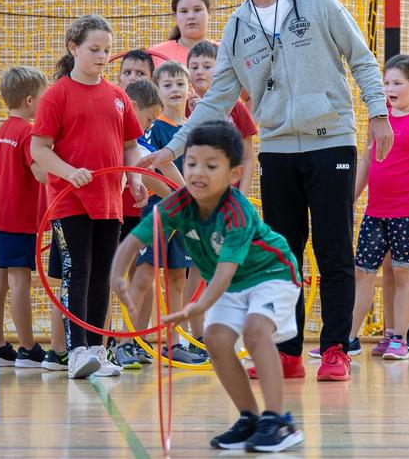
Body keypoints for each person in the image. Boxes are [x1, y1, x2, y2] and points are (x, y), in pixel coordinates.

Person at [140, 0, 393, 382]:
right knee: (282, 255)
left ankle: (336, 349)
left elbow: (360, 56)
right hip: (277, 150)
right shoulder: (237, 27)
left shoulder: (315, 0)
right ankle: (287, 352)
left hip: (330, 141)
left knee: (334, 249)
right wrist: (173, 146)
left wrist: (378, 112)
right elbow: (215, 102)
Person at [112, 121, 305, 452]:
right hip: (231, 282)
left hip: (272, 274)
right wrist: (117, 275)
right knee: (216, 341)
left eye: (211, 166)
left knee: (257, 331)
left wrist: (197, 307)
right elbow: (134, 240)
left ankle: (279, 421)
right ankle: (250, 418)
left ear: (233, 174)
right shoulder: (178, 204)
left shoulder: (236, 210)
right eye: (191, 163)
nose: (198, 172)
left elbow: (225, 273)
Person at [30, 14, 149, 379]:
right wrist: (69, 172)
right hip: (69, 200)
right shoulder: (56, 95)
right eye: (94, 49)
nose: (101, 56)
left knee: (103, 274)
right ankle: (76, 350)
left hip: (109, 201)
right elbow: (39, 148)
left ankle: (98, 349)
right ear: (74, 48)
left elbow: (131, 146)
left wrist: (134, 180)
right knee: (77, 271)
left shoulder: (117, 98)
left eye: (106, 50)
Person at [348, 54, 409, 360]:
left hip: (408, 215)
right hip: (375, 213)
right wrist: (350, 199)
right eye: (386, 83)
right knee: (362, 273)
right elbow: (365, 161)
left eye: (397, 83)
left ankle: (399, 337)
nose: (390, 88)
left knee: (403, 273)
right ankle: (347, 338)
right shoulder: (379, 120)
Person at [127, 61, 207, 364]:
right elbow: (161, 166)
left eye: (180, 83)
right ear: (156, 92)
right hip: (158, 212)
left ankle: (174, 342)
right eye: (167, 84)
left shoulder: (192, 129)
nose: (175, 89)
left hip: (185, 213)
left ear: (189, 89)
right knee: (145, 273)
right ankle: (128, 341)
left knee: (177, 276)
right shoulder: (153, 128)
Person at [0, 66, 50, 367]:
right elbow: (41, 173)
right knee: (20, 282)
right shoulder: (29, 133)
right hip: (17, 219)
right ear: (31, 101)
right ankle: (28, 348)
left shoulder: (2, 130)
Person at [113, 79, 185, 368]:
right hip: (110, 215)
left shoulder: (139, 141)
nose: (148, 126)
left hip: (127, 214)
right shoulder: (128, 140)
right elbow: (157, 176)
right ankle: (119, 343)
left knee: (150, 278)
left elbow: (163, 166)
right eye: (149, 119)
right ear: (132, 108)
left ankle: (132, 342)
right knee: (120, 279)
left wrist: (189, 200)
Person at [186, 40, 258, 196]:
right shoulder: (181, 107)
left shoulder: (235, 106)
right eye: (194, 67)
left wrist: (242, 197)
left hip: (229, 194)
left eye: (206, 66)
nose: (199, 71)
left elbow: (248, 158)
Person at [148, 0, 213, 67]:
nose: (191, 16)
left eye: (197, 10)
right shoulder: (156, 54)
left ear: (209, 12)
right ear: (175, 16)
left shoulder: (223, 51)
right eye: (184, 11)